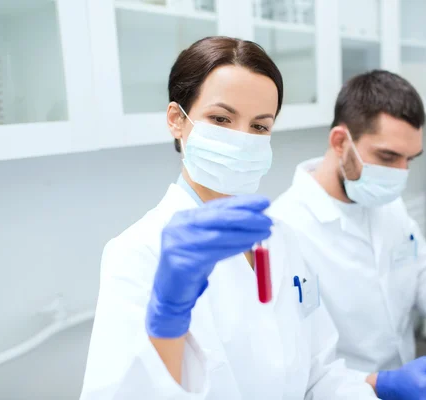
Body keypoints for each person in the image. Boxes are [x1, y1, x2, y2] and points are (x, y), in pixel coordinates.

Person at [80, 36, 396, 400]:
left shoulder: (281, 238)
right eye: (220, 119)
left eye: (259, 126)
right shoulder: (139, 252)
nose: (242, 139)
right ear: (176, 121)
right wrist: (166, 316)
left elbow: (318, 373)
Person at [269, 70, 426, 399]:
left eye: (409, 159)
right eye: (388, 157)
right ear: (340, 142)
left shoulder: (384, 201)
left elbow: (420, 263)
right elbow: (296, 373)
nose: (400, 174)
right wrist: (385, 386)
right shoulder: (282, 230)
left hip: (407, 379)